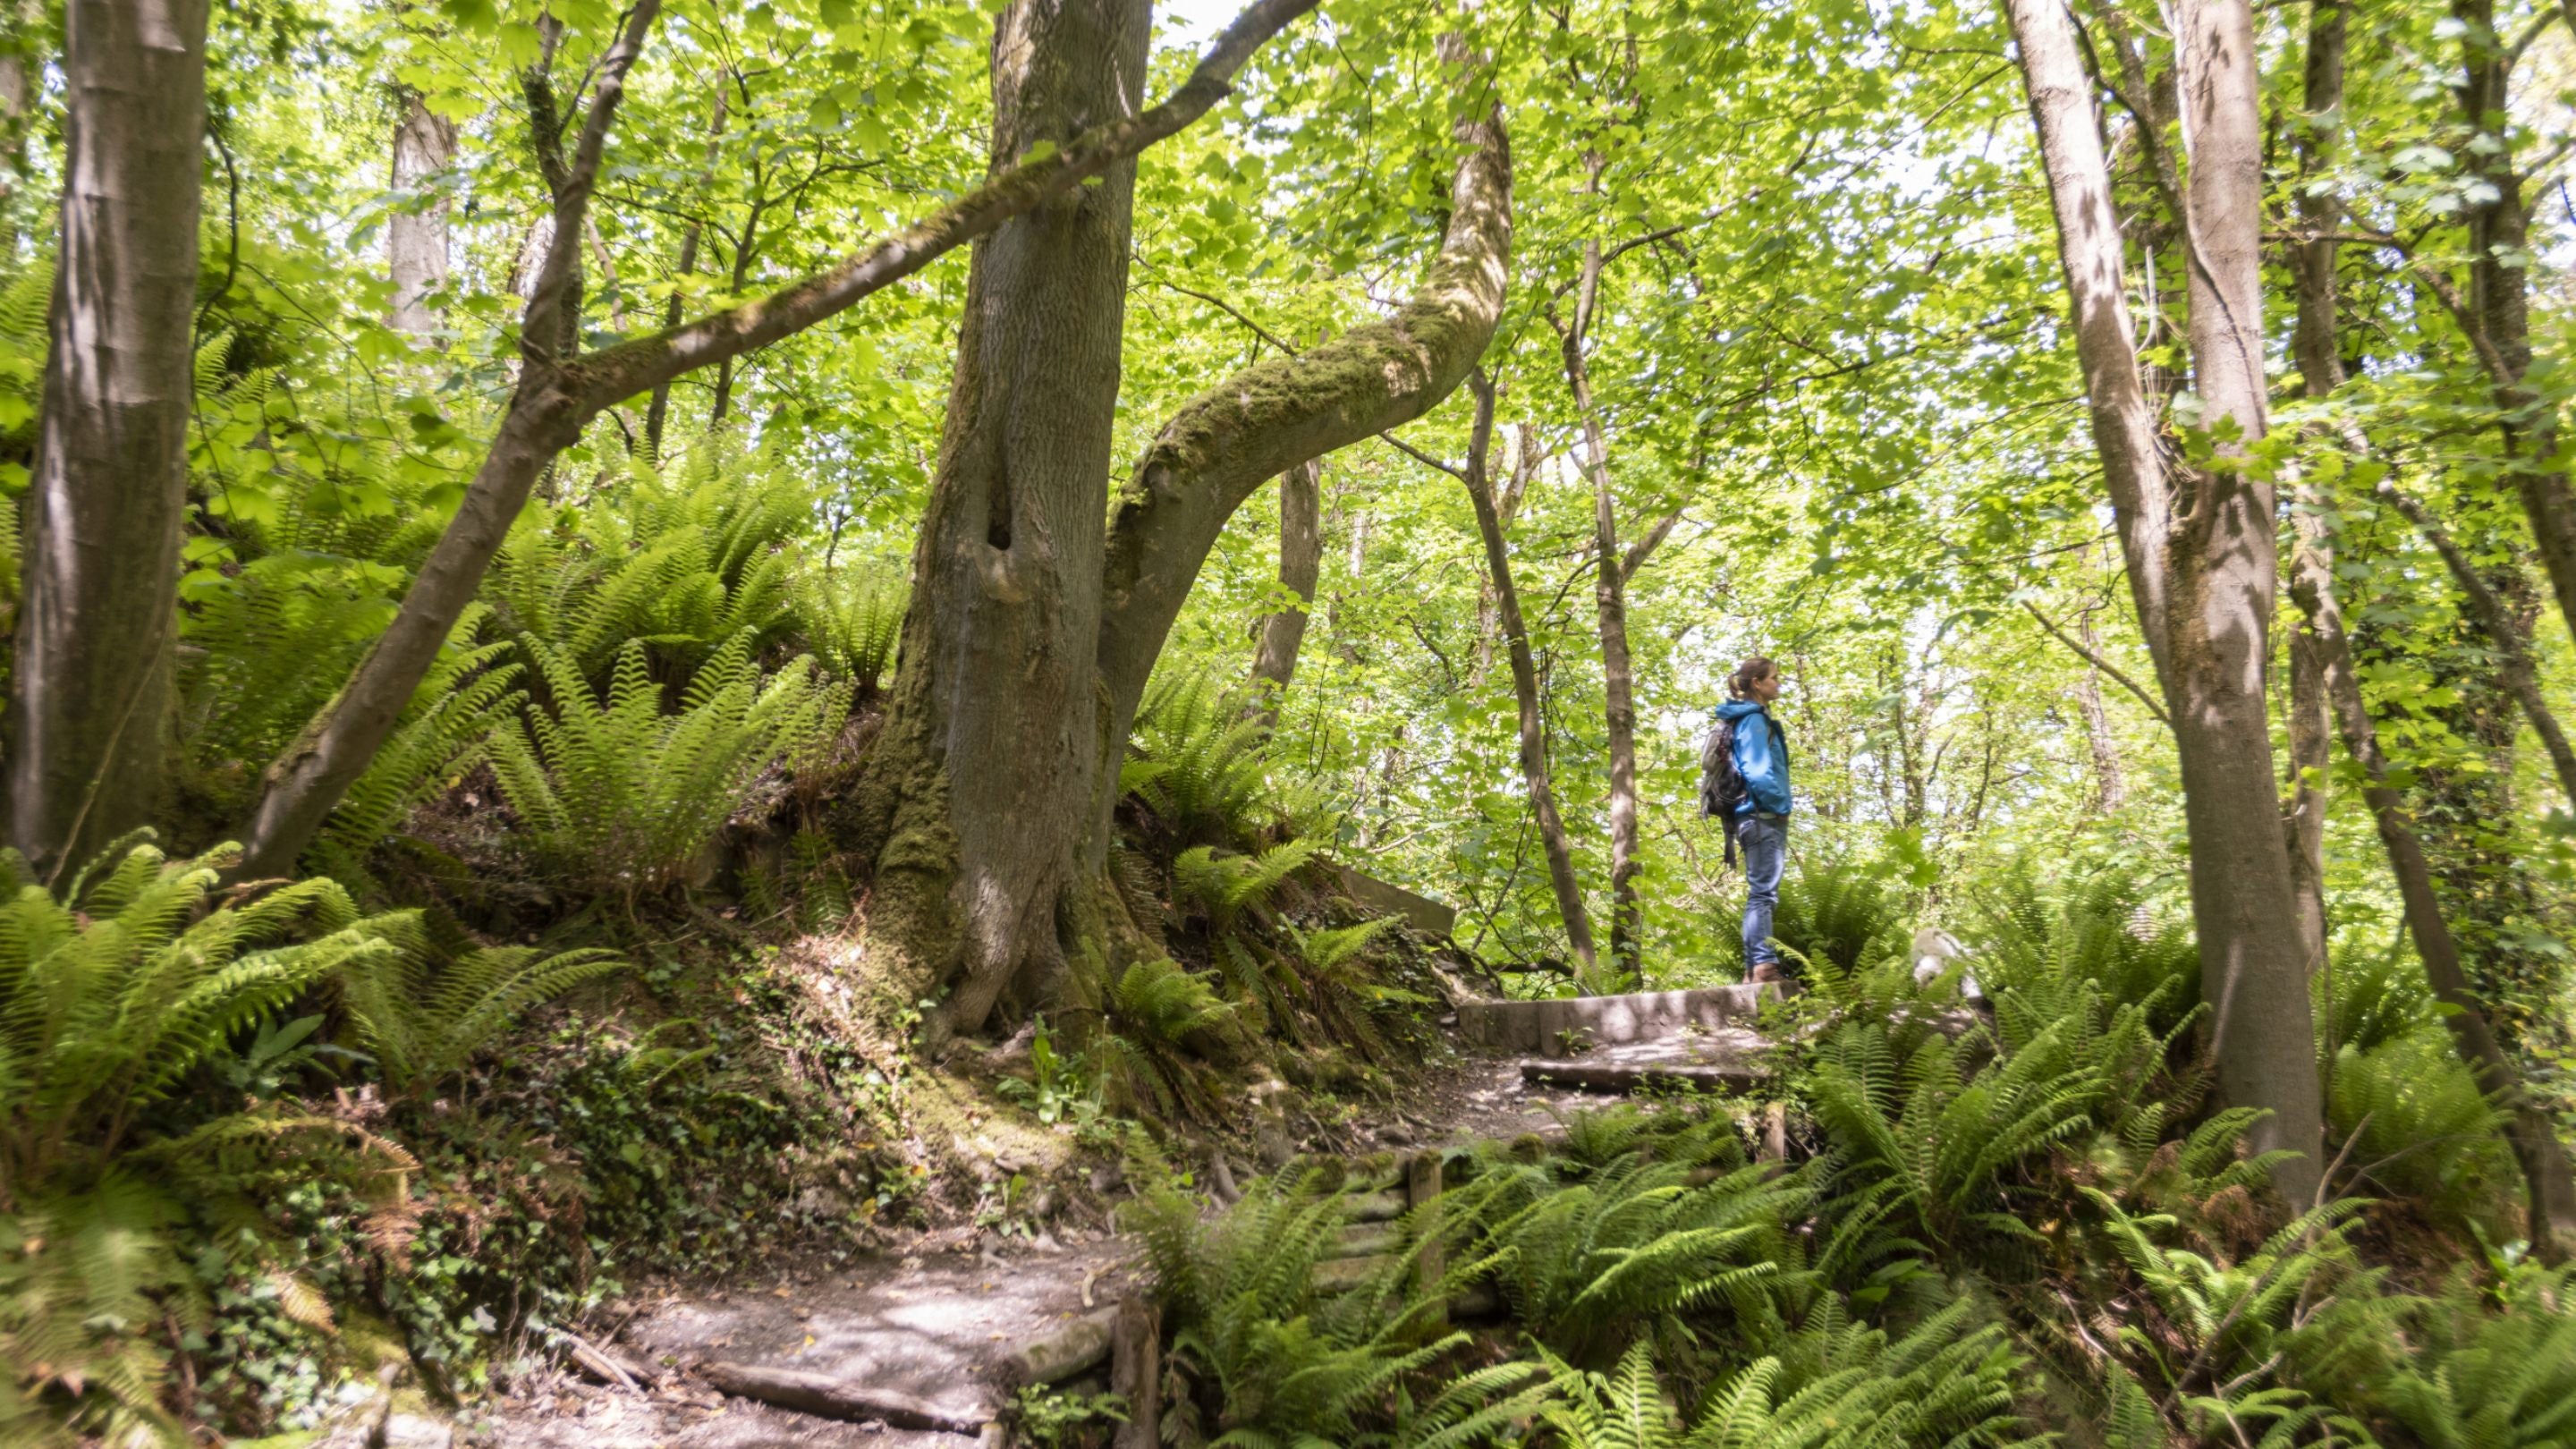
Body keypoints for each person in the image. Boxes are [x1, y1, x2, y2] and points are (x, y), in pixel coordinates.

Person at [1712, 657, 1792, 982]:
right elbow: (1757, 771)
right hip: (1762, 816)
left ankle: (1754, 969)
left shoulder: (1748, 719)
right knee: (1763, 894)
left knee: (1760, 892)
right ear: (1757, 683)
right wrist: (1781, 803)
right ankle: (1763, 966)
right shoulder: (1755, 721)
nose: (1779, 683)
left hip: (1752, 817)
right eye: (1774, 677)